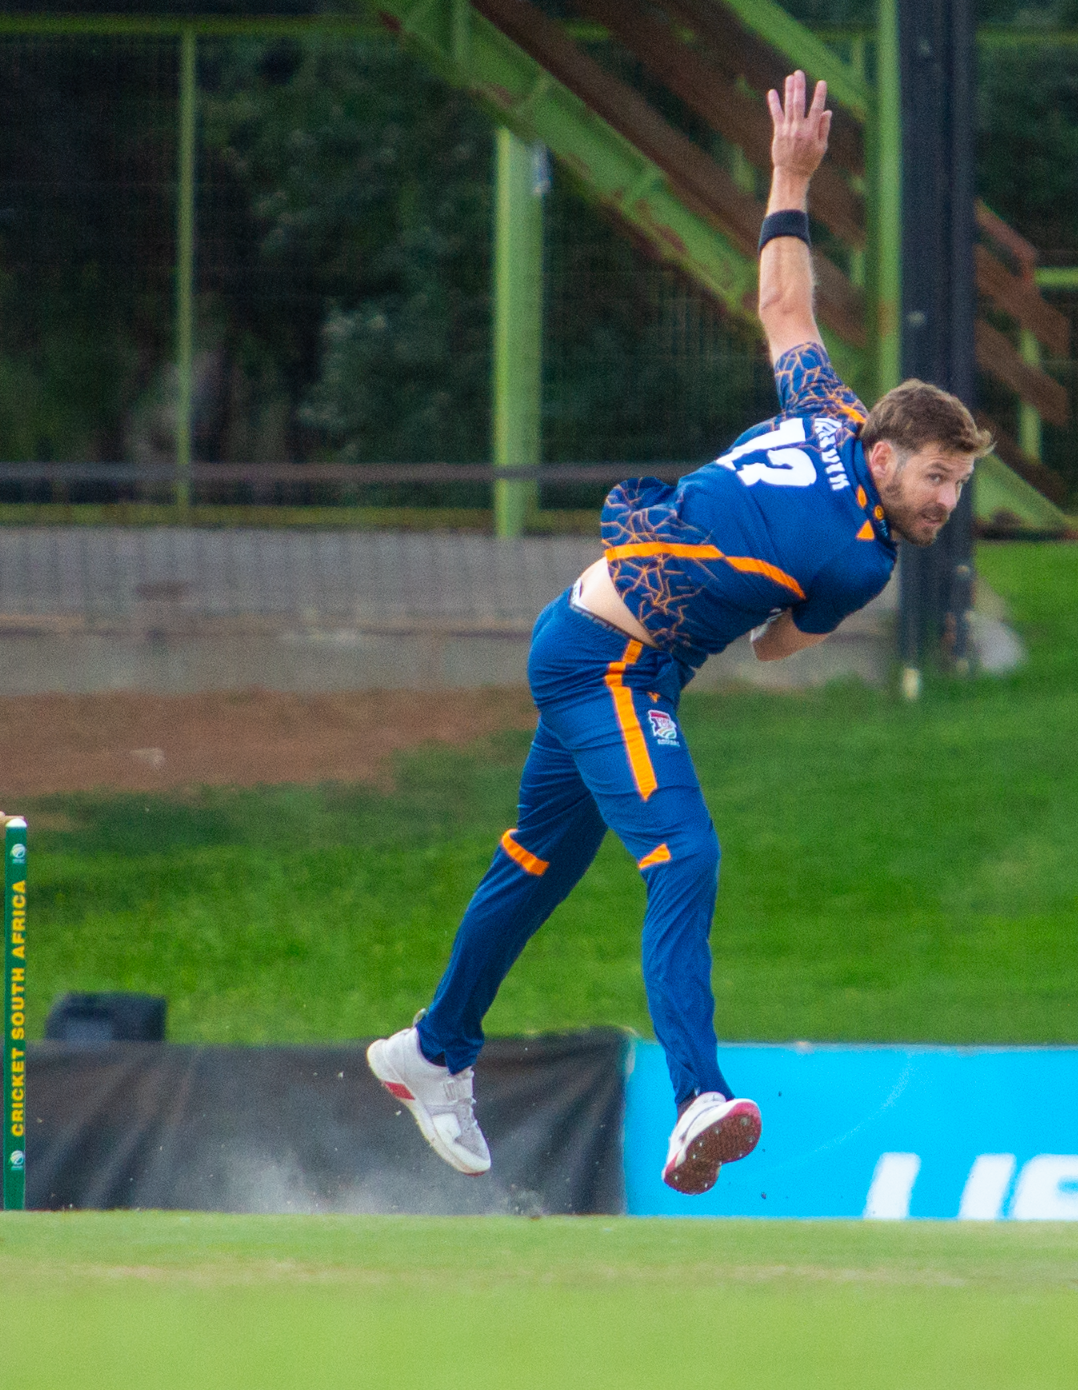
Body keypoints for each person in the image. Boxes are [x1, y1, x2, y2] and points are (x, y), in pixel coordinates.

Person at [368, 71, 991, 1195]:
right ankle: (698, 1094)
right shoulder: (862, 558)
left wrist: (788, 176)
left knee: (536, 864)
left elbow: (784, 307)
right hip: (610, 665)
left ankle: (433, 1048)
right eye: (936, 478)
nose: (945, 503)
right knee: (684, 857)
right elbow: (775, 647)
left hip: (584, 636)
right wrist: (764, 604)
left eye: (958, 484)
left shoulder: (830, 415)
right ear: (887, 455)